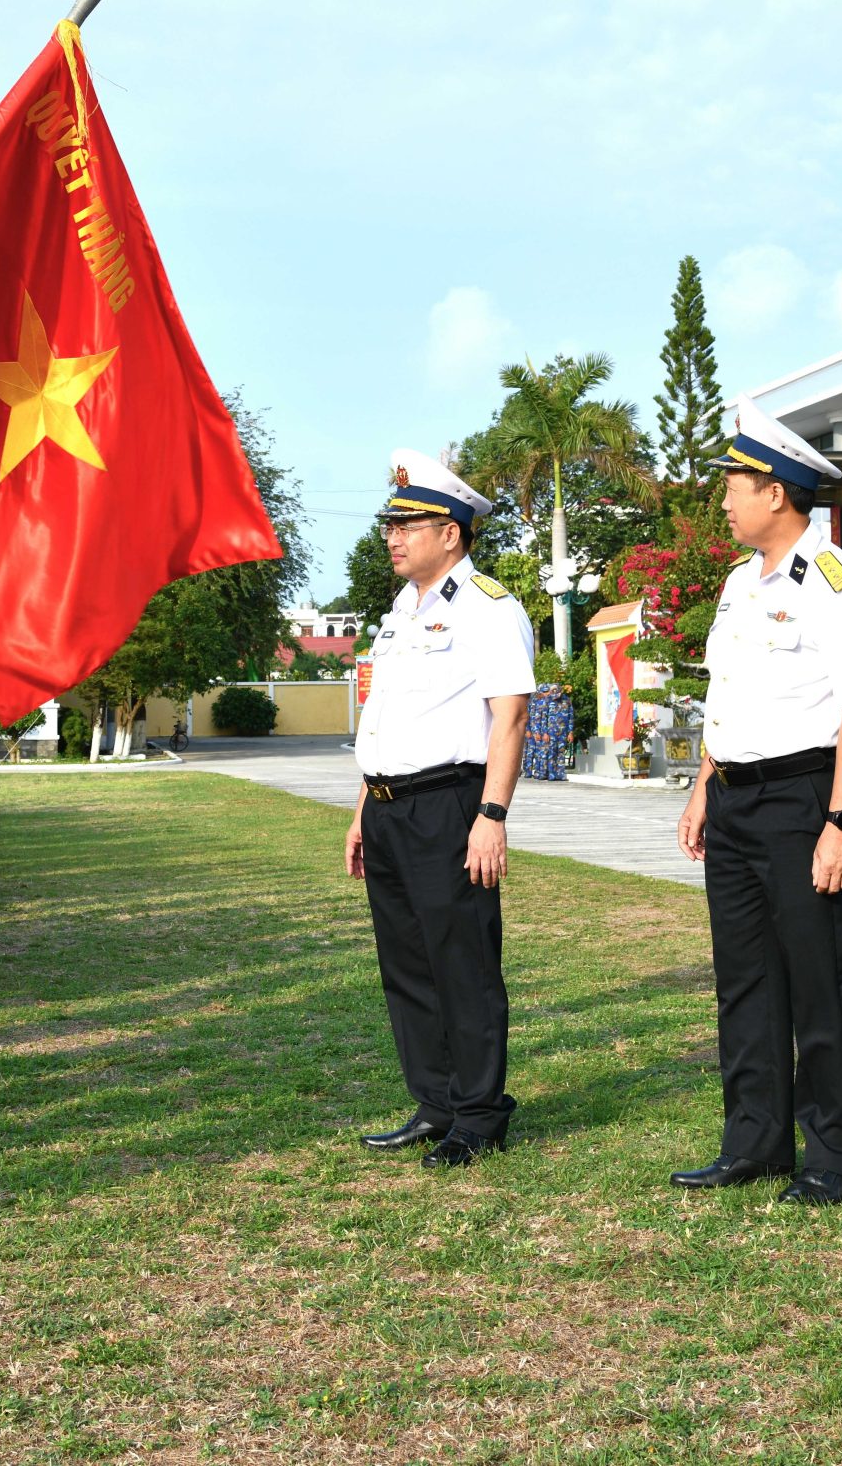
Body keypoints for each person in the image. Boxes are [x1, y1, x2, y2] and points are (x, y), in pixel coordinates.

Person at [670, 399, 842, 1202]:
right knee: (745, 978)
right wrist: (701, 789)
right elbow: (728, 700)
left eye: (735, 483)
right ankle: (753, 1140)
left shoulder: (836, 581)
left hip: (803, 797)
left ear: (778, 493)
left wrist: (841, 822)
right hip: (734, 800)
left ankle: (834, 1153)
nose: (724, 499)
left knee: (815, 978)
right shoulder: (737, 585)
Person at [344, 450, 534, 1169]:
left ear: (451, 532)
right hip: (391, 807)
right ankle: (436, 1101)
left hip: (450, 803)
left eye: (409, 524)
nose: (393, 536)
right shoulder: (401, 609)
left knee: (462, 962)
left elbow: (510, 717)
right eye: (390, 524)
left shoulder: (488, 606)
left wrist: (492, 813)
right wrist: (364, 806)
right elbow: (386, 720)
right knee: (409, 964)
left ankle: (481, 1113)